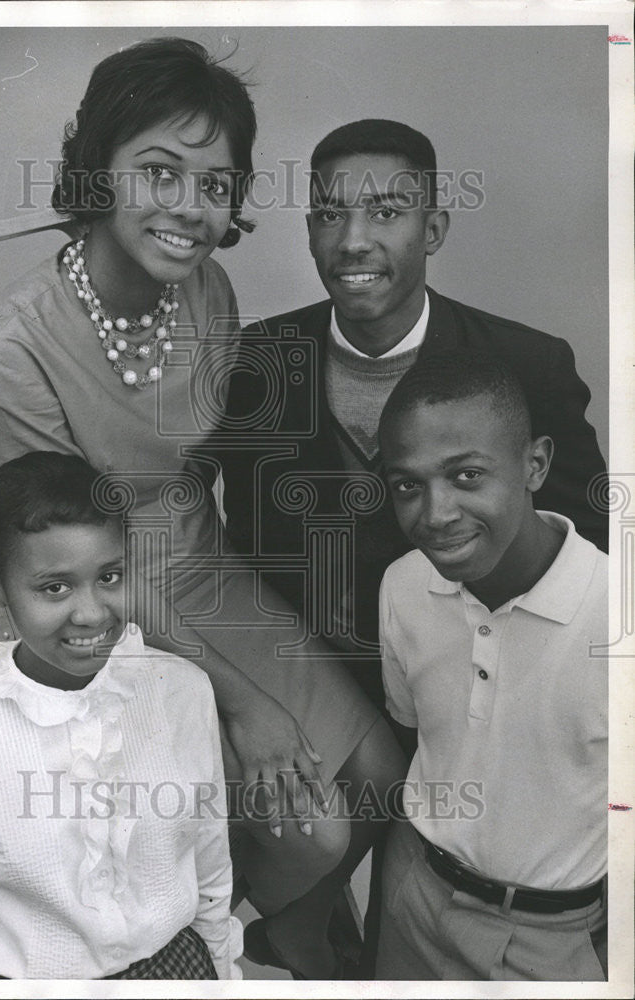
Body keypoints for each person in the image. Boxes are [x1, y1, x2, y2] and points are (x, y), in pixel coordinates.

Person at [0, 39, 405, 979]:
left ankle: (277, 927)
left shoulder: (205, 287)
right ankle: (230, 944)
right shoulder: (12, 346)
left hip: (213, 573)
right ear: (99, 170)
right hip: (112, 613)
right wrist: (242, 704)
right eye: (159, 172)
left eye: (215, 184)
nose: (189, 209)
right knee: (318, 832)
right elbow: (65, 563)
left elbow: (218, 471)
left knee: (382, 777)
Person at [221, 118, 608, 708]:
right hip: (304, 698)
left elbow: (591, 547)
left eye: (385, 212)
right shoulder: (255, 361)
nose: (353, 241)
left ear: (432, 230)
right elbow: (228, 548)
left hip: (480, 688)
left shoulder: (528, 364)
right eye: (330, 214)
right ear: (308, 232)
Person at [0, 451, 241, 979]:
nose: (91, 613)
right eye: (54, 587)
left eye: (109, 576)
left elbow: (209, 858)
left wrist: (220, 973)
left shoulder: (184, 693)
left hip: (175, 970)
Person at [373, 354, 607, 981]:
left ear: (536, 464)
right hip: (413, 895)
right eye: (407, 486)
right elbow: (416, 730)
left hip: (552, 937)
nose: (435, 513)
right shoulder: (402, 585)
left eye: (467, 475)